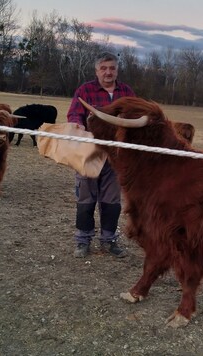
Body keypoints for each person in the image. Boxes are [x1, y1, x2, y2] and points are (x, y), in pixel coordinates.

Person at [66, 51, 136, 258]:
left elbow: (136, 117)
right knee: (86, 198)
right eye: (103, 68)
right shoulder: (85, 90)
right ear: (97, 71)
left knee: (112, 201)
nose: (108, 72)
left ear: (117, 70)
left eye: (112, 68)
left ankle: (109, 240)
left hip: (116, 156)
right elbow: (74, 114)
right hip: (90, 153)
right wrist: (78, 125)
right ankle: (82, 240)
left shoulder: (127, 92)